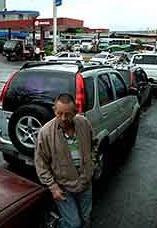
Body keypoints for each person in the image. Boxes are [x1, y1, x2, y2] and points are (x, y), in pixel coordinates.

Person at [35, 93, 94, 228]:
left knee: (86, 219)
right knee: (74, 224)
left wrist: (92, 164)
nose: (63, 118)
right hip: (64, 187)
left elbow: (93, 144)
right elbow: (41, 164)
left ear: (75, 112)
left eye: (67, 114)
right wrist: (53, 187)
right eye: (59, 113)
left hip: (85, 182)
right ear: (54, 110)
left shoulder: (84, 123)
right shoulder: (45, 133)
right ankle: (56, 224)